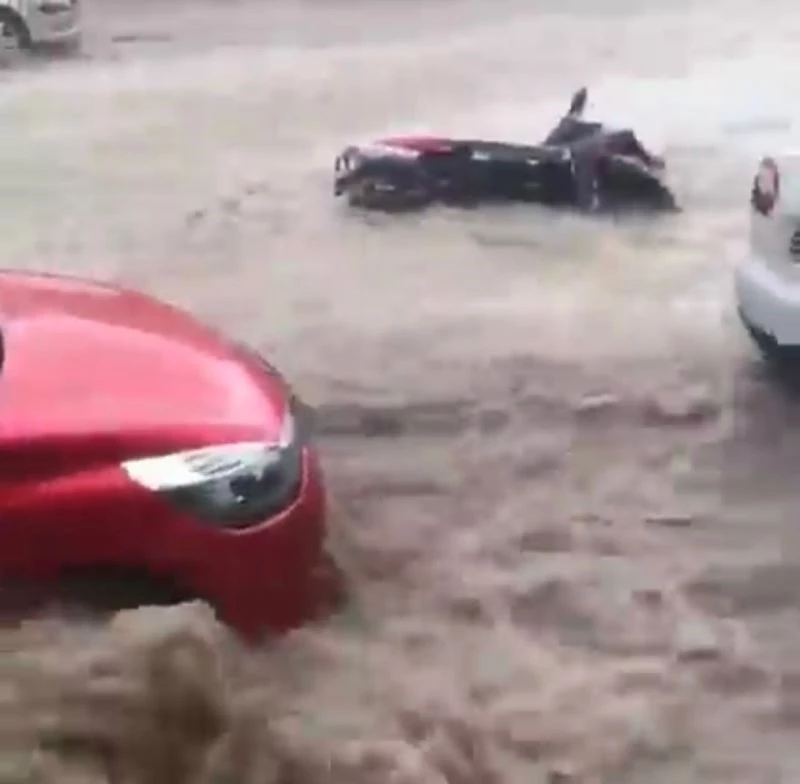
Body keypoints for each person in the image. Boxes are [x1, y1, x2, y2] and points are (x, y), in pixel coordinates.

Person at [544, 87, 665, 211]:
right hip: (572, 148)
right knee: (581, 148)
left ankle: (648, 162)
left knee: (575, 133)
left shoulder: (611, 138)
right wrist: (588, 203)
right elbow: (584, 173)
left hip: (578, 141)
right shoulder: (590, 147)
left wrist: (648, 161)